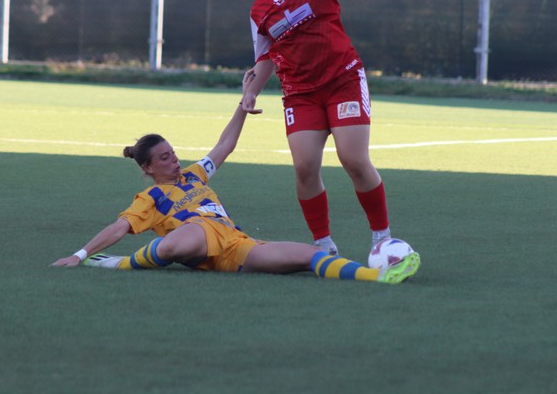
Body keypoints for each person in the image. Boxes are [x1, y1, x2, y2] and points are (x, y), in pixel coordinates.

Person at [52, 78, 420, 285]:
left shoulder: (194, 174)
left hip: (237, 247)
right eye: (165, 158)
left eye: (173, 152)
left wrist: (242, 107)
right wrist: (80, 254)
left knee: (311, 256)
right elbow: (119, 226)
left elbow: (224, 146)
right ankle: (110, 263)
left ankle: (378, 276)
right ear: (148, 167)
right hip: (196, 236)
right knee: (179, 240)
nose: (175, 160)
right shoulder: (149, 197)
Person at [242, 0, 393, 256]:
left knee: (353, 159)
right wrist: (251, 90)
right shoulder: (259, 11)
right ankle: (323, 243)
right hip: (301, 94)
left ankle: (381, 237)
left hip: (343, 81)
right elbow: (266, 57)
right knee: (304, 166)